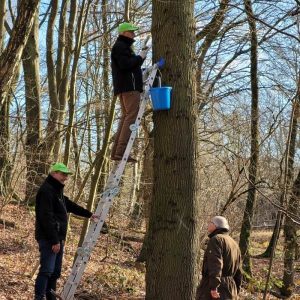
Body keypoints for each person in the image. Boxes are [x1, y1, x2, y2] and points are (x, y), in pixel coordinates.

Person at [34, 163, 100, 300]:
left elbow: (70, 205)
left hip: (58, 238)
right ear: (54, 173)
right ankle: (39, 297)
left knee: (55, 273)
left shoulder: (57, 191)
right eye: (63, 174)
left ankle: (50, 297)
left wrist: (89, 214)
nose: (66, 178)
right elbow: (45, 218)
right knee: (47, 271)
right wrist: (54, 240)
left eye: (67, 175)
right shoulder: (46, 191)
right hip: (49, 239)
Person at [110, 22, 149, 163]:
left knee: (125, 118)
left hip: (125, 88)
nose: (134, 34)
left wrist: (139, 66)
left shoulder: (122, 46)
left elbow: (128, 66)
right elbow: (125, 64)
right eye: (131, 31)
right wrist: (140, 58)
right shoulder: (121, 46)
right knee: (130, 118)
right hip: (129, 89)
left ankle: (116, 152)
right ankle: (121, 152)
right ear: (124, 32)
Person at [196, 216, 242, 300]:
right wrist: (236, 289)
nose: (208, 224)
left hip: (217, 289)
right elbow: (238, 270)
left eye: (210, 223)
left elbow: (215, 264)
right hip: (231, 288)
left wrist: (214, 287)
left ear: (215, 226)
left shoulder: (216, 240)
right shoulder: (233, 242)